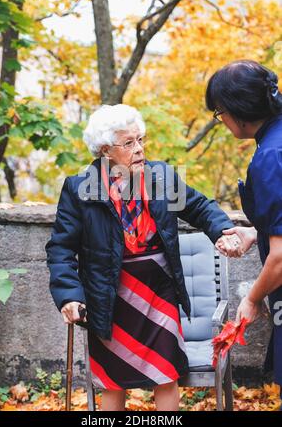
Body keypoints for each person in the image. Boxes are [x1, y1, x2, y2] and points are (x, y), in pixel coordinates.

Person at [45, 104, 241, 411]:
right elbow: (60, 248)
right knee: (113, 379)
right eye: (129, 143)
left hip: (158, 291)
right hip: (109, 294)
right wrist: (69, 295)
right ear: (105, 150)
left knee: (166, 374)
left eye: (141, 140)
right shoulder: (80, 188)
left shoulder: (160, 176)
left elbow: (200, 208)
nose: (139, 149)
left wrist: (224, 231)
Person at [206, 59, 282, 409]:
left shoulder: (270, 157)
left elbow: (280, 260)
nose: (221, 121)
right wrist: (257, 232)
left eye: (219, 112)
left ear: (239, 111)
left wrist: (251, 298)